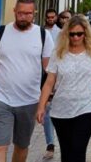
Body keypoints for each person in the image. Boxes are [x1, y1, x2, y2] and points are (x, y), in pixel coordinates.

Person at [0, 0, 54, 162]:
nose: (23, 17)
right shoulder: (0, 33)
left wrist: (47, 99)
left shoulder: (43, 35)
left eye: (28, 13)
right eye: (20, 13)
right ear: (14, 11)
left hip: (30, 100)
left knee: (22, 146)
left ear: (34, 13)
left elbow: (50, 71)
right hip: (1, 99)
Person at [36, 15, 91, 162]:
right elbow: (50, 81)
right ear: (66, 34)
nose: (75, 37)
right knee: (67, 153)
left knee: (78, 151)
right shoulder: (58, 52)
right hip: (61, 111)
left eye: (79, 34)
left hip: (86, 108)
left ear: (86, 34)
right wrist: (41, 106)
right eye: (72, 34)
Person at [41, 9, 60, 159]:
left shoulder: (60, 33)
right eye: (48, 17)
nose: (50, 19)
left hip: (56, 74)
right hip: (43, 75)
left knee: (53, 109)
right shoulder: (39, 33)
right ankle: (50, 143)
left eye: (53, 17)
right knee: (47, 110)